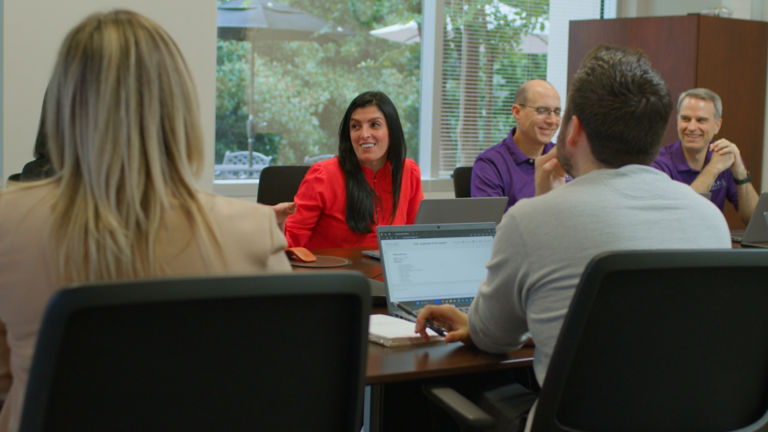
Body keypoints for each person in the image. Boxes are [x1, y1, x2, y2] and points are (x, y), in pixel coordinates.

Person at [0, 10, 291, 431]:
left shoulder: (9, 222)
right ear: (178, 111)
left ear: (62, 108)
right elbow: (278, 377)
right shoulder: (254, 233)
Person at [416, 45, 731, 390]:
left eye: (559, 114)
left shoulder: (529, 220)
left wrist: (473, 324)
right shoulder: (711, 221)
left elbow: (494, 338)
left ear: (574, 129)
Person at [284, 91, 423, 249]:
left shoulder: (408, 172)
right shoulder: (323, 175)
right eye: (355, 126)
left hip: (391, 264)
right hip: (335, 265)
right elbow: (290, 241)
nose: (364, 134)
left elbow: (417, 238)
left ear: (392, 131)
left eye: (374, 125)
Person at [651, 88, 759, 224]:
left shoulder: (723, 156)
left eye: (701, 120)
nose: (691, 127)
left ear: (717, 125)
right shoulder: (658, 164)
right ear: (677, 121)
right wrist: (713, 169)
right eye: (685, 119)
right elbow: (680, 218)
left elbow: (755, 221)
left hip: (713, 237)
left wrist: (741, 173)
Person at [471, 79, 561, 209]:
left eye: (557, 112)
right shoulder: (490, 165)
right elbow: (491, 221)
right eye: (541, 110)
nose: (552, 120)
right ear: (517, 112)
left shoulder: (563, 158)